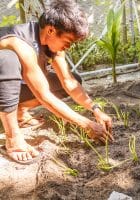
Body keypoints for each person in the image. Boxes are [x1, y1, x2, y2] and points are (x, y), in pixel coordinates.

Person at [0, 0, 113, 164]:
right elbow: (44, 95)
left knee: (72, 80)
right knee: (7, 60)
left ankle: (18, 112)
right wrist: (86, 124)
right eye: (68, 41)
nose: (68, 47)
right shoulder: (19, 42)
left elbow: (69, 82)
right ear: (51, 30)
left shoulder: (51, 46)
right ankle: (13, 139)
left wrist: (95, 109)